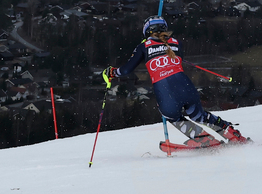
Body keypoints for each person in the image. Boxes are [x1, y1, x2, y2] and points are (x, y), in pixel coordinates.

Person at [103, 15, 248, 148]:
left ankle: (201, 137)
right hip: (186, 86)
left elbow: (126, 70)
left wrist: (112, 72)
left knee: (171, 115)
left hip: (165, 91)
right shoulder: (176, 42)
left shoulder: (143, 46)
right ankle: (229, 131)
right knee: (199, 115)